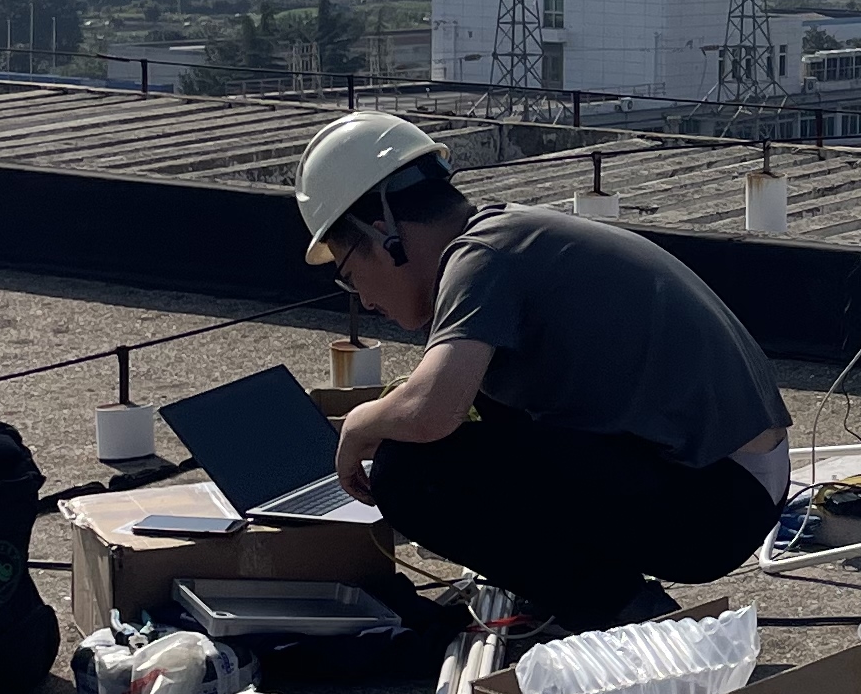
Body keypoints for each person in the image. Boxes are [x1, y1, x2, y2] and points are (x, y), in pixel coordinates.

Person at [292, 115, 794, 634]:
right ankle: (587, 592)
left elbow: (431, 412)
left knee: (410, 472)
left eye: (349, 275)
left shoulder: (481, 256)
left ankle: (624, 609)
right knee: (479, 417)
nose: (364, 299)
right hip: (729, 480)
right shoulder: (503, 235)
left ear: (384, 234)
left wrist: (359, 424)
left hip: (717, 503)